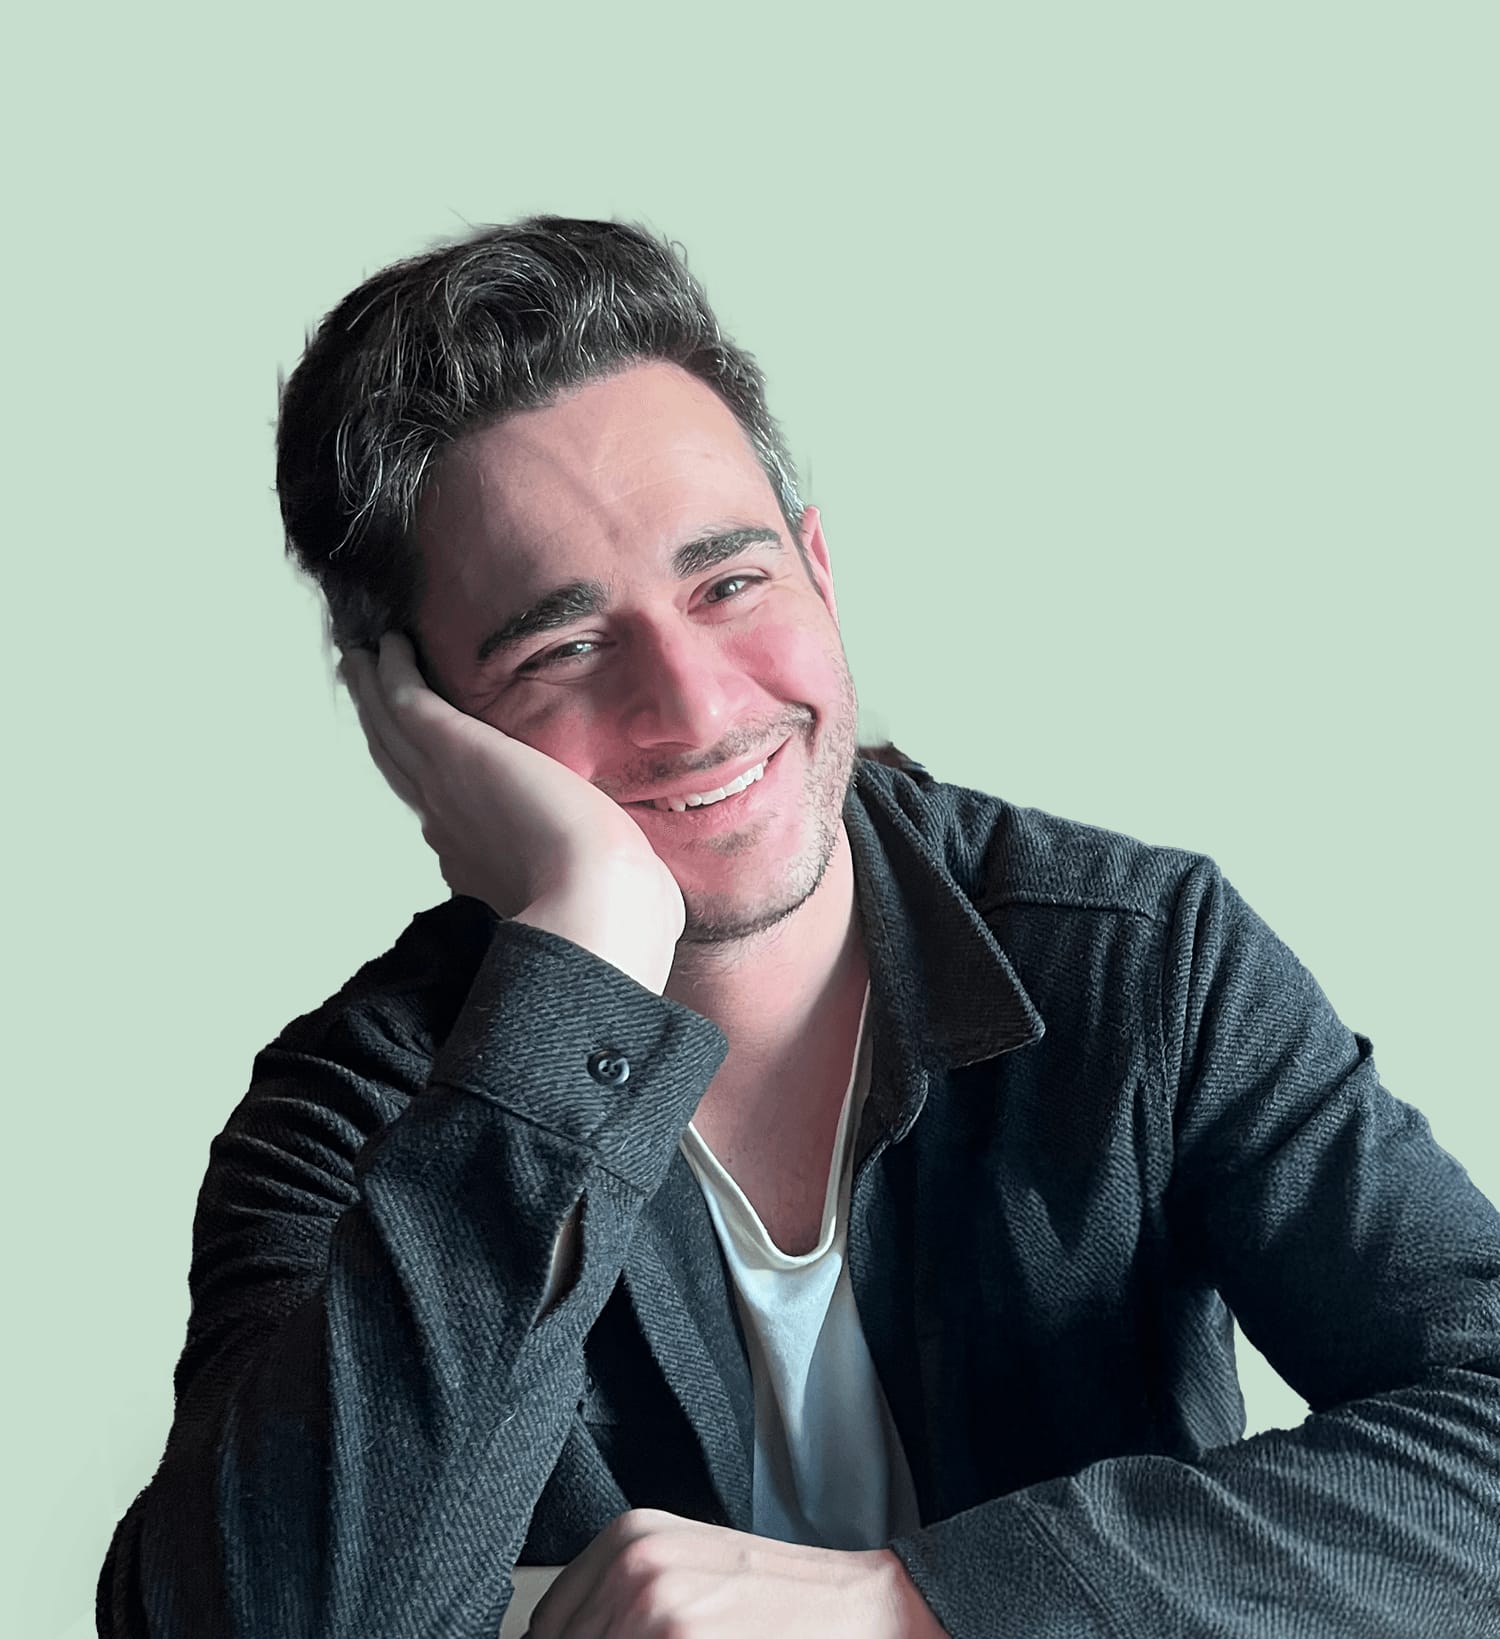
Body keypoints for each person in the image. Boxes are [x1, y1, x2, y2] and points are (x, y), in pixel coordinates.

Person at [98, 216, 1500, 1639]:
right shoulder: (363, 1111)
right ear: (426, 736)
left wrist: (906, 1606)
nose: (696, 707)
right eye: (562, 649)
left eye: (730, 583)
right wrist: (585, 946)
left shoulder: (1144, 962)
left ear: (820, 569)